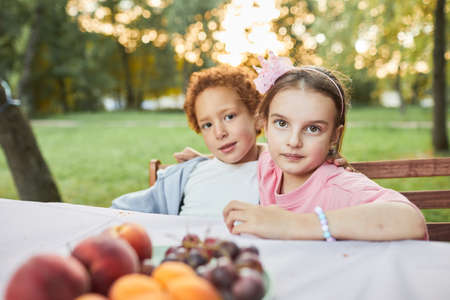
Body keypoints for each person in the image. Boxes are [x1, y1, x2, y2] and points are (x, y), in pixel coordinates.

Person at [223, 52, 428, 241]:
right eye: (282, 124)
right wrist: (194, 159)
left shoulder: (339, 187)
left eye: (313, 129)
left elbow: (412, 221)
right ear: (265, 125)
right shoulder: (269, 164)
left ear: (333, 136)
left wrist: (292, 224)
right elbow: (256, 150)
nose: (293, 141)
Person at [111, 65, 263, 216]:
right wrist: (204, 160)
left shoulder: (278, 172)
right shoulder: (190, 174)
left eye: (229, 116)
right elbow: (118, 209)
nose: (219, 133)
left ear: (257, 116)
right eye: (207, 125)